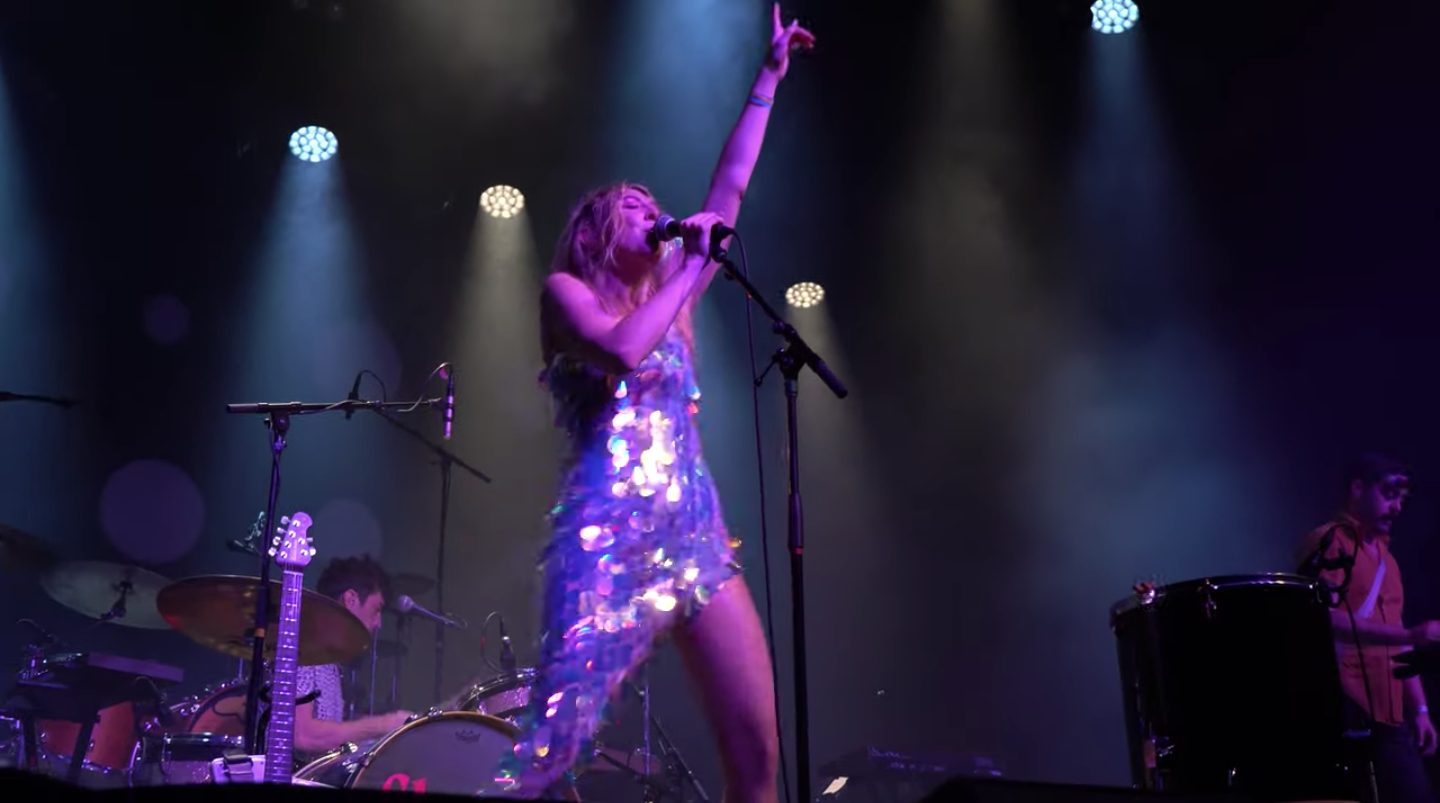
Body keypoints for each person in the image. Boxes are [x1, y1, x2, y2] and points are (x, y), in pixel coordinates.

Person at [507, 6, 815, 801]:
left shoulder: (670, 303)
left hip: (694, 535)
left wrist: (768, 78)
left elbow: (730, 186)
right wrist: (689, 270)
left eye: (656, 207)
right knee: (551, 751)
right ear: (594, 233)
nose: (656, 215)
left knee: (758, 753)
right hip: (606, 534)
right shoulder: (566, 293)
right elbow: (619, 351)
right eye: (636, 208)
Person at [1298, 454, 1440, 803]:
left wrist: (1420, 710)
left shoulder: (1389, 561)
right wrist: (1411, 635)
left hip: (1391, 719)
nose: (1397, 507)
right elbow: (1322, 619)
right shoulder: (1329, 541)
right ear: (1358, 489)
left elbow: (1398, 640)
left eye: (1402, 499)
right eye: (1389, 494)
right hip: (1347, 712)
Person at [292, 555, 412, 755]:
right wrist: (382, 725)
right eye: (376, 609)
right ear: (350, 599)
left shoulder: (328, 660)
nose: (378, 623)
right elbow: (302, 735)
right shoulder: (304, 650)